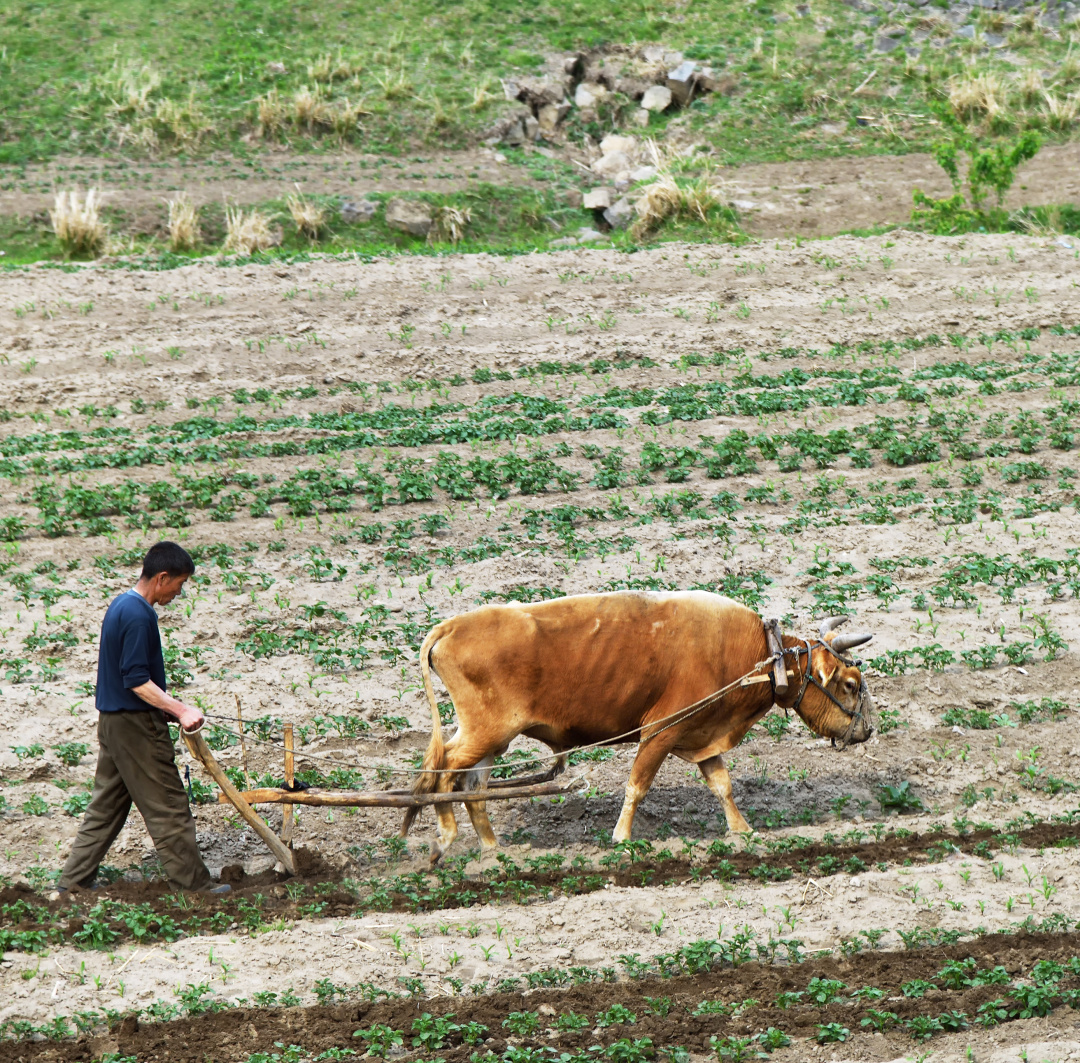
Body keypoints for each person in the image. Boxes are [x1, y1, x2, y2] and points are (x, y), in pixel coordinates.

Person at [58, 541, 229, 895]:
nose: (178, 593)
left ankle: (72, 882)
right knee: (168, 806)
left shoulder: (121, 605)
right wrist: (180, 709)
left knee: (106, 807)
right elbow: (135, 678)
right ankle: (194, 887)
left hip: (113, 722)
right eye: (179, 584)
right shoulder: (139, 615)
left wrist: (164, 708)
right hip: (136, 727)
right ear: (162, 578)